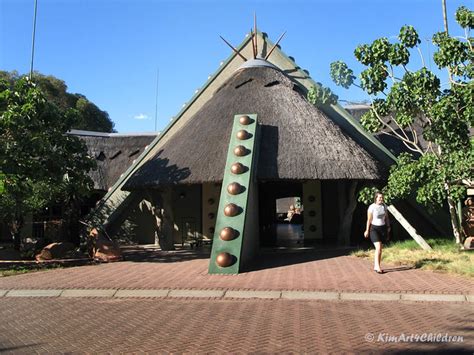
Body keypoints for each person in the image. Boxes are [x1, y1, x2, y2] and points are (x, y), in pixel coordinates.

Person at [364, 192, 391, 274]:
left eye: (382, 197)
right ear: (376, 198)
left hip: (382, 228)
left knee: (379, 249)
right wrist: (367, 230)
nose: (381, 199)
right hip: (374, 229)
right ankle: (378, 267)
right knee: (378, 247)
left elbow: (386, 217)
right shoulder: (372, 207)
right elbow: (369, 220)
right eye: (379, 198)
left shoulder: (384, 206)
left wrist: (388, 227)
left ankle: (376, 265)